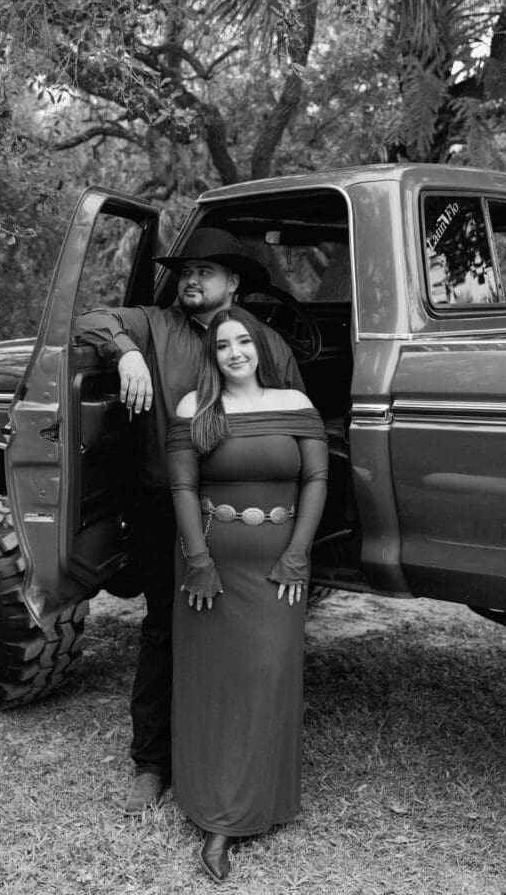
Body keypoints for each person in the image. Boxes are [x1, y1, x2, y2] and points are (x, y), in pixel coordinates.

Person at [74, 229, 305, 814]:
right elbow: (90, 319)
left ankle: (233, 757)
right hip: (163, 504)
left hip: (247, 514)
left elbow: (296, 428)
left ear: (234, 282)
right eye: (186, 271)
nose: (192, 280)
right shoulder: (154, 325)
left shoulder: (265, 344)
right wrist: (126, 352)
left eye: (206, 271)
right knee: (166, 627)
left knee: (241, 631)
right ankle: (152, 763)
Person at [166, 307, 328, 883]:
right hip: (211, 570)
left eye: (243, 342)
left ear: (260, 347)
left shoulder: (294, 405)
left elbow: (316, 479)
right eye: (222, 345)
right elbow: (183, 486)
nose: (235, 353)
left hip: (279, 568)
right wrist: (198, 561)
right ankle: (219, 817)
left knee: (267, 675)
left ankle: (257, 799)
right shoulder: (195, 408)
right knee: (217, 684)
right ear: (212, 356)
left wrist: (298, 553)